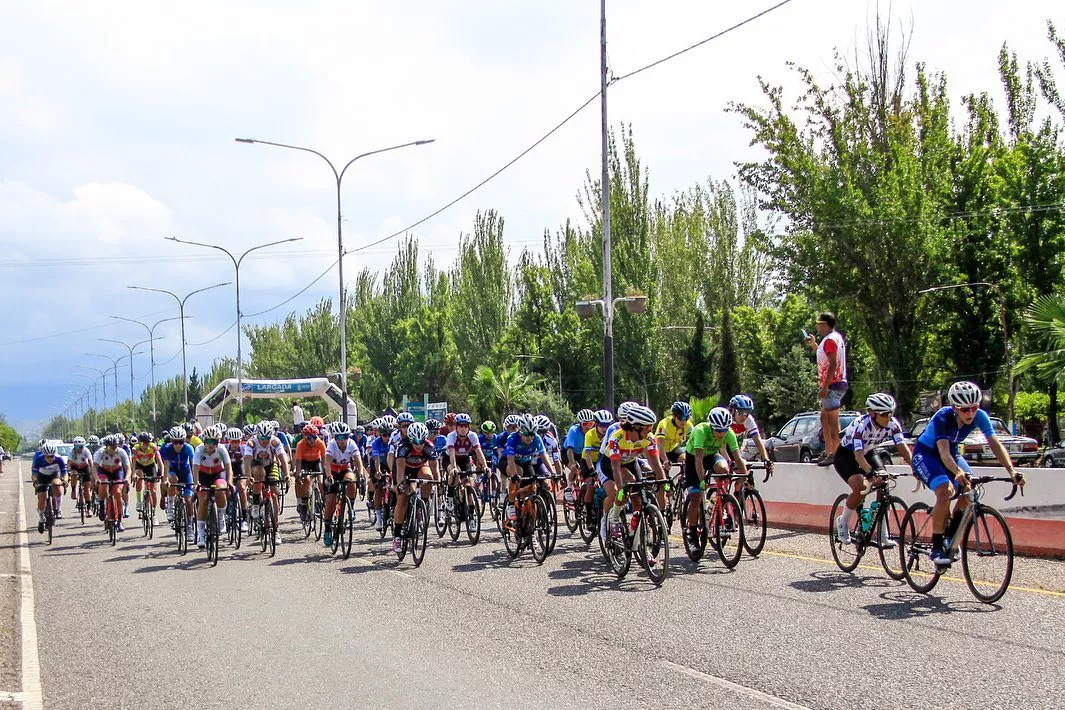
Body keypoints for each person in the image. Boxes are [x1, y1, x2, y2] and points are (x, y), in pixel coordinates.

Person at [911, 381, 1024, 567]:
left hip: (952, 453)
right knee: (944, 490)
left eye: (973, 408)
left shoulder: (980, 416)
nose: (970, 413)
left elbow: (995, 444)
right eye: (965, 410)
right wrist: (957, 472)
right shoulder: (943, 417)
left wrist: (1012, 471)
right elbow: (943, 453)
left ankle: (951, 536)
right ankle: (937, 547)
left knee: (969, 490)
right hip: (927, 453)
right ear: (955, 408)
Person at [832, 393, 912, 545]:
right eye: (884, 414)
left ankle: (882, 532)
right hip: (847, 455)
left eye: (890, 413)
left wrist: (915, 466)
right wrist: (870, 472)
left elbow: (902, 448)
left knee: (883, 481)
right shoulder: (860, 426)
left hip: (870, 452)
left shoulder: (892, 424)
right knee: (859, 486)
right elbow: (858, 456)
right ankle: (843, 522)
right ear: (872, 413)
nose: (888, 417)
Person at [683, 407, 747, 547]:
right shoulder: (700, 431)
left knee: (724, 469)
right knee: (696, 497)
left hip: (711, 455)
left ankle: (718, 502)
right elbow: (698, 460)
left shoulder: (729, 433)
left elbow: (737, 457)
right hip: (694, 457)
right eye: (718, 430)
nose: (722, 434)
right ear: (711, 426)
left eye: (724, 430)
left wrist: (745, 477)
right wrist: (701, 481)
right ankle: (692, 535)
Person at [805, 311, 848, 466]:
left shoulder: (830, 340)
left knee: (831, 422)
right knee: (824, 418)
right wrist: (814, 344)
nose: (817, 326)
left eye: (818, 323)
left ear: (824, 324)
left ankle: (835, 453)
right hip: (834, 384)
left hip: (832, 384)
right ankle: (829, 450)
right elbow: (823, 355)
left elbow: (833, 363)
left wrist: (825, 386)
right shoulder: (831, 339)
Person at [192, 424, 232, 548]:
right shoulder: (199, 450)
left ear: (218, 442)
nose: (211, 444)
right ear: (204, 441)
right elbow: (195, 469)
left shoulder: (221, 449)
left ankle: (221, 518)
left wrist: (230, 482)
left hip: (217, 474)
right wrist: (196, 483)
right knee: (203, 501)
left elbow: (228, 467)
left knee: (221, 490)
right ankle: (201, 534)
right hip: (203, 476)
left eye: (214, 441)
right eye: (208, 441)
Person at [32, 442, 67, 533]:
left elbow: (64, 473)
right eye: (47, 456)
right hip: (42, 477)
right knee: (42, 499)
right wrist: (35, 482)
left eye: (52, 456)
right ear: (44, 455)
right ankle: (41, 518)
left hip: (54, 475)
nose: (50, 458)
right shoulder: (39, 459)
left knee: (57, 485)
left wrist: (65, 480)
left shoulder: (59, 459)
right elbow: (34, 474)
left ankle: (58, 509)